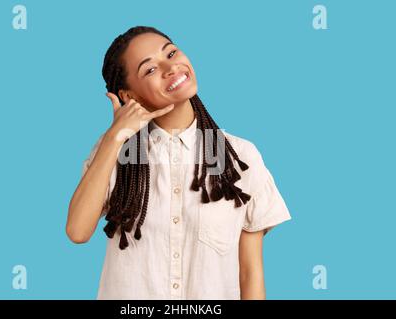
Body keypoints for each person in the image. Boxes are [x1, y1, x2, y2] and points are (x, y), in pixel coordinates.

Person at [66, 26, 292, 300]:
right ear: (129, 96)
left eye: (171, 53)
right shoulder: (114, 152)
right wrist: (115, 136)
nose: (170, 68)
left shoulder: (239, 156)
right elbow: (77, 231)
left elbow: (250, 274)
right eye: (149, 70)